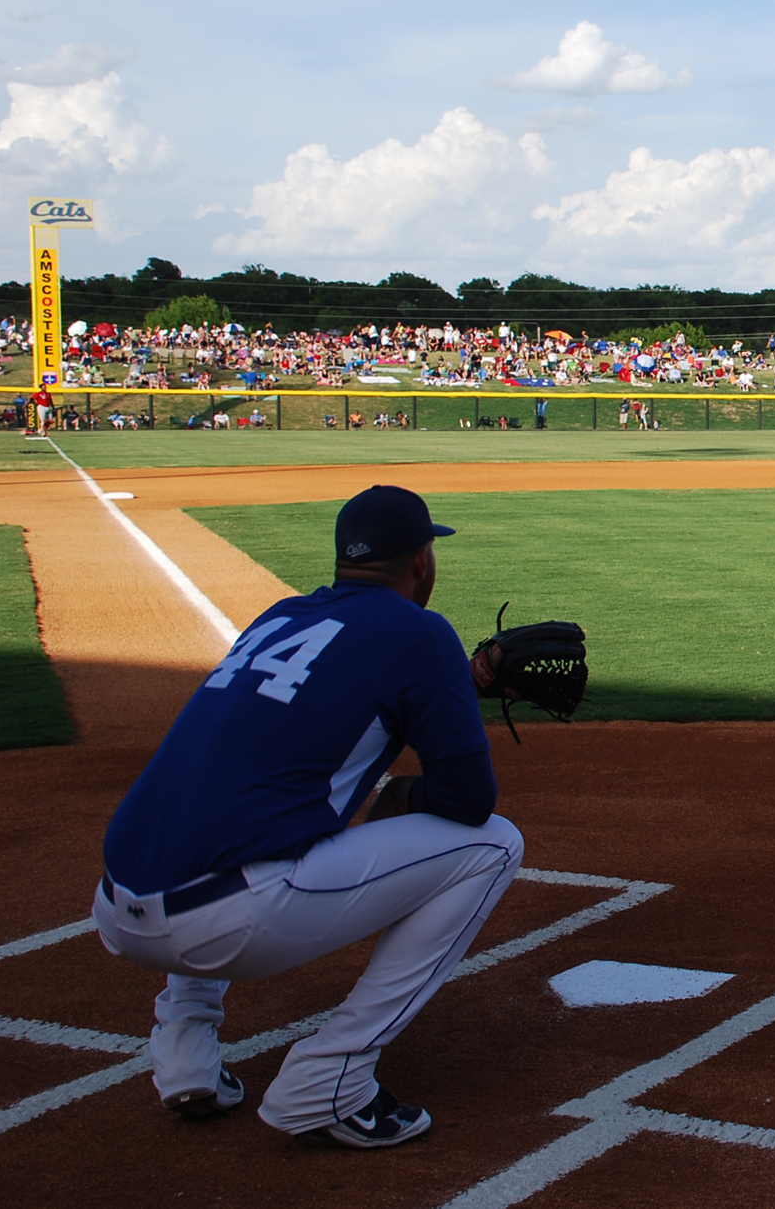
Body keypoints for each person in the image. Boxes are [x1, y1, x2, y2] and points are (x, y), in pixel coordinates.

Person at [93, 486, 524, 1148]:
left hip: (117, 907)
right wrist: (392, 798)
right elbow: (469, 801)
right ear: (420, 562)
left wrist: (456, 684)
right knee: (495, 844)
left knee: (225, 812)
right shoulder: (422, 630)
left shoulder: (279, 615)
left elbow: (346, 686)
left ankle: (184, 1056)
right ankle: (333, 1079)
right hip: (228, 922)